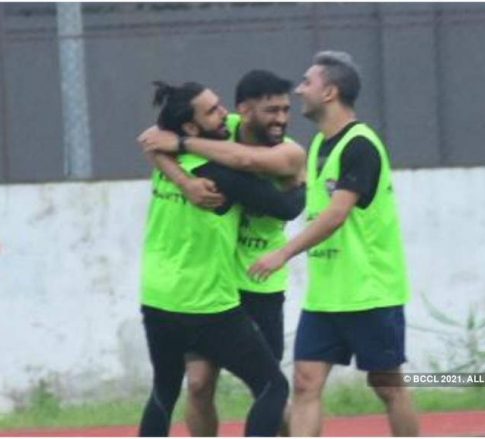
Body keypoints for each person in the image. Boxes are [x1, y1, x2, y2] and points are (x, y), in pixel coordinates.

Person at [248, 51, 420, 436]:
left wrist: (283, 253)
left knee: (386, 384)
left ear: (330, 92)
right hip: (326, 295)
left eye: (307, 82)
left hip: (369, 291)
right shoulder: (320, 149)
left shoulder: (361, 145)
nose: (299, 91)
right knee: (306, 382)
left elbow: (337, 213)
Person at [138, 70, 304, 436]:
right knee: (270, 387)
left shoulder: (176, 149)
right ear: (191, 128)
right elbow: (283, 205)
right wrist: (301, 190)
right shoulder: (219, 174)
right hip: (207, 299)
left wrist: (180, 173)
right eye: (213, 111)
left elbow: (151, 141)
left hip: (164, 296)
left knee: (166, 390)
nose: (223, 113)